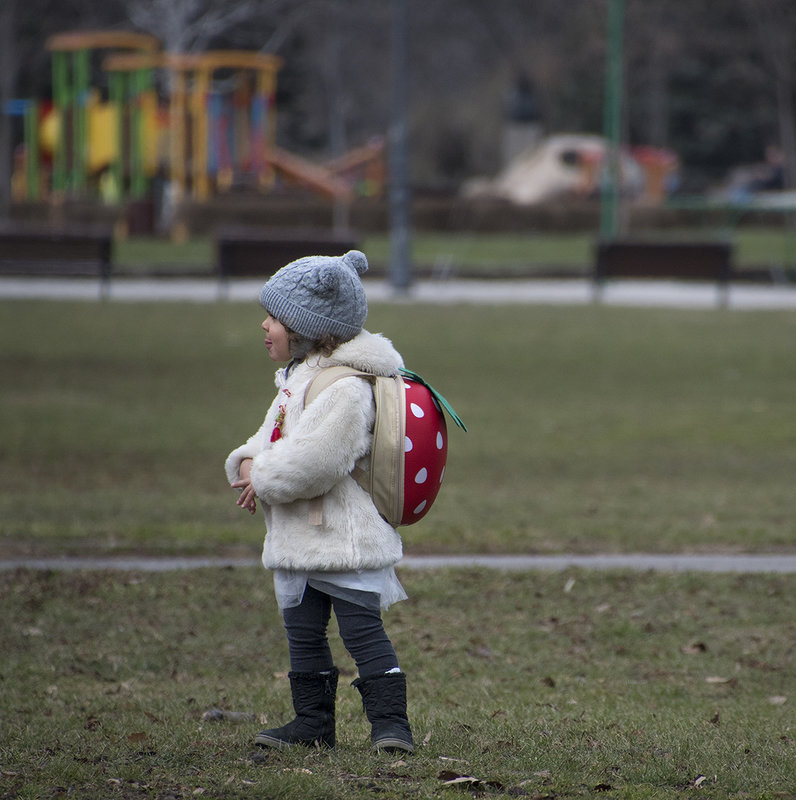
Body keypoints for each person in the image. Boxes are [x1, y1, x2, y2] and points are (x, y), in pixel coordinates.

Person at [224, 250, 414, 754]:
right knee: (303, 633)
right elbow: (272, 436)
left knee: (362, 633)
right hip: (301, 535)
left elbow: (318, 462)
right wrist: (247, 461)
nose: (264, 326)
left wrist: (263, 477)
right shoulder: (300, 377)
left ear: (308, 328)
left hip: (342, 538)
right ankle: (312, 724)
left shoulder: (344, 387)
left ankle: (391, 727)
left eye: (274, 317)